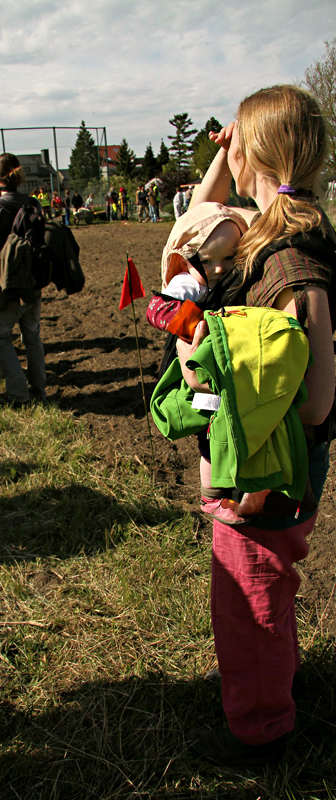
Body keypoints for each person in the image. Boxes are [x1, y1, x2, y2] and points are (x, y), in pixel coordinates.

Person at [175, 85, 336, 765]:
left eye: (232, 140)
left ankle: (262, 729)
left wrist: (204, 372)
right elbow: (195, 215)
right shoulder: (270, 230)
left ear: (256, 152)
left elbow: (315, 401)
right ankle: (271, 680)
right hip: (261, 459)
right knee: (264, 581)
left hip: (265, 469)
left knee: (250, 596)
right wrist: (224, 154)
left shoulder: (288, 263)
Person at [147, 202, 247, 523]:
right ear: (189, 259)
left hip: (218, 368)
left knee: (226, 421)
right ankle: (212, 496)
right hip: (193, 371)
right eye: (208, 260)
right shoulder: (190, 283)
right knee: (210, 426)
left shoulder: (231, 279)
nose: (218, 268)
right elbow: (157, 309)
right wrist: (194, 326)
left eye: (228, 258)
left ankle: (229, 485)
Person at [0, 153, 46, 406]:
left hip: (6, 285)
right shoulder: (33, 204)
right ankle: (40, 389)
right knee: (32, 335)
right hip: (32, 283)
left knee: (1, 337)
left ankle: (18, 394)